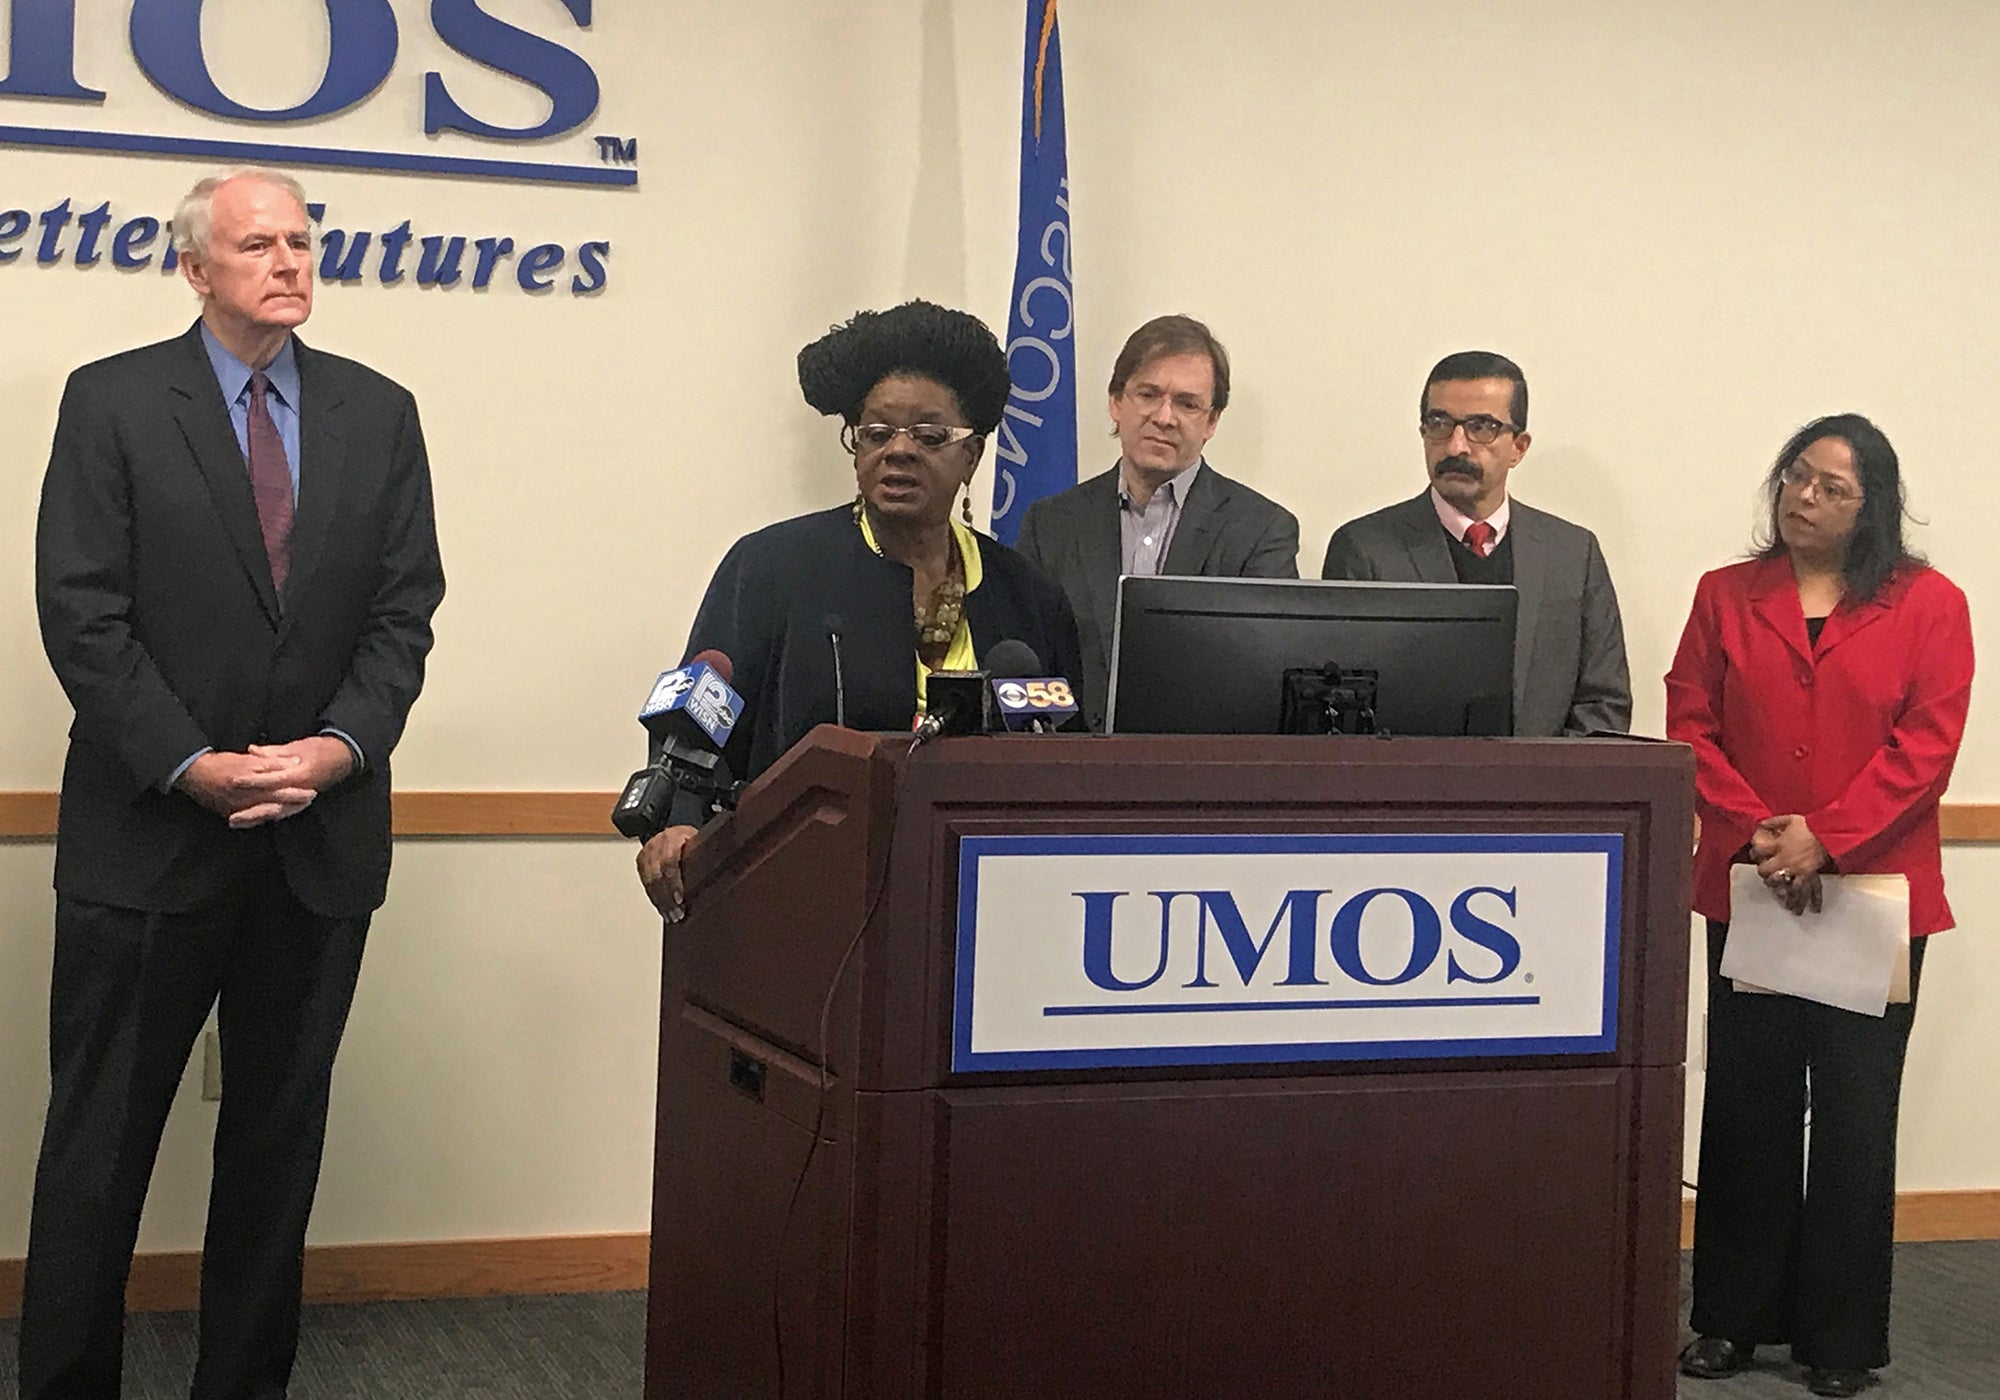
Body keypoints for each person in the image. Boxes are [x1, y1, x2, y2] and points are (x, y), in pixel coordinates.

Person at [22, 167, 445, 1400]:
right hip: (147, 835)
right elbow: (81, 611)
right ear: (196, 268)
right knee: (97, 1148)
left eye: (303, 240)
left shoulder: (380, 411)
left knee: (276, 1140)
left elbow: (401, 614)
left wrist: (338, 749)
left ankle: (243, 1381)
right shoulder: (110, 402)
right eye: (257, 243)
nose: (289, 261)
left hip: (316, 843)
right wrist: (189, 763)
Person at [1667, 415, 1972, 1399]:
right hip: (1753, 885)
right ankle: (1728, 1320)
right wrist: (1763, 828)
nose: (1801, 496)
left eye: (1829, 486)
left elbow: (1924, 747)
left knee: (1850, 1117)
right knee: (1745, 1104)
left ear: (1871, 504)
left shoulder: (1929, 604)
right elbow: (1687, 718)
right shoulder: (1724, 595)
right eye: (1793, 477)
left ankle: (1838, 1339)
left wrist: (1826, 835)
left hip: (1871, 897)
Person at [637, 300, 1081, 918]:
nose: (898, 451)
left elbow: (1068, 757)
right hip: (805, 895)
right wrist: (679, 826)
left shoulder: (1028, 595)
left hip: (989, 906)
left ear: (972, 456)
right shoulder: (773, 568)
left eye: (929, 436)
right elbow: (696, 722)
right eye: (876, 433)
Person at [1320, 350, 1630, 735]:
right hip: (1405, 788)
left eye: (1481, 426)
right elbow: (1341, 710)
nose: (1456, 446)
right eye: (1440, 423)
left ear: (1519, 446)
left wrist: (1542, 787)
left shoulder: (1573, 554)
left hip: (1543, 789)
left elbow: (1603, 706)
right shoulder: (1365, 550)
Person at [1015, 314, 1298, 728]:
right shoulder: (1052, 524)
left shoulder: (1261, 531)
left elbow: (1266, 674)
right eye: (1148, 394)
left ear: (1212, 421)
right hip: (1071, 769)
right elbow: (1027, 663)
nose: (1165, 417)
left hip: (1202, 772)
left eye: (1187, 403)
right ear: (1116, 402)